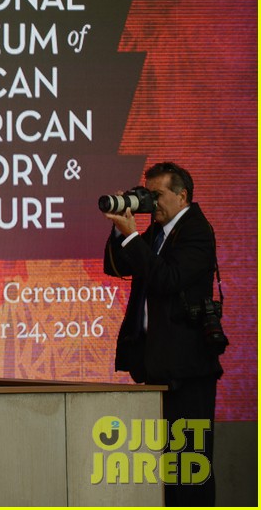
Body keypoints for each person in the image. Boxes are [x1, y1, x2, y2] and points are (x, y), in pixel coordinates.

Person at [102, 161, 221, 506]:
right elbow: (116, 266)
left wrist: (132, 237)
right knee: (166, 466)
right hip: (156, 365)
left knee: (190, 466)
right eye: (147, 194)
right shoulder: (156, 231)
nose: (151, 203)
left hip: (188, 369)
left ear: (182, 195)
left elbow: (168, 279)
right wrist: (120, 228)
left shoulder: (196, 231)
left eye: (157, 195)